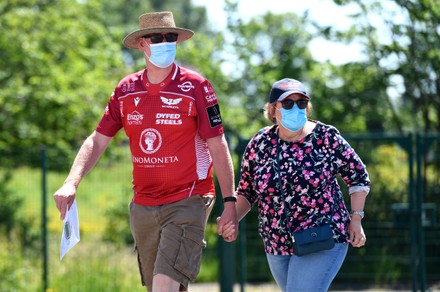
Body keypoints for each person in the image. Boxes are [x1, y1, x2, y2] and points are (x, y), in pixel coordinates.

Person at [53, 11, 238, 292]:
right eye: (157, 37)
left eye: (171, 37)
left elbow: (217, 143)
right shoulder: (126, 89)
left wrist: (230, 203)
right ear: (142, 44)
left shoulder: (196, 86)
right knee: (160, 288)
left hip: (188, 199)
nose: (165, 42)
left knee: (164, 286)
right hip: (143, 205)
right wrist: (71, 181)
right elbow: (98, 139)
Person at [218, 78, 370, 292]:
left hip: (323, 236)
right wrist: (231, 216)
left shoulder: (326, 137)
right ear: (273, 110)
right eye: (287, 104)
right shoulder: (260, 143)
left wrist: (356, 218)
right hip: (276, 243)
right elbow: (247, 191)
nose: (295, 108)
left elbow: (358, 176)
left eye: (301, 103)